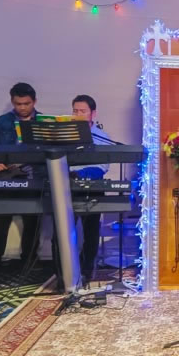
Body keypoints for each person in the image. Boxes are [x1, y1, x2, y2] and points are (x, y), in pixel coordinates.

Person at [0, 82, 42, 268]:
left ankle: (29, 262)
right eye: (18, 104)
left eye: (26, 103)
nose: (22, 108)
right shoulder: (3, 121)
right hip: (5, 177)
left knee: (32, 224)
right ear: (12, 102)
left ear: (34, 101)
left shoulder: (43, 122)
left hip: (32, 177)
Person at [69, 94, 111, 282]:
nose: (78, 114)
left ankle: (87, 271)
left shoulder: (101, 137)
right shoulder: (65, 134)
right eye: (75, 111)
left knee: (91, 232)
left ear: (93, 114)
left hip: (92, 188)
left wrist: (81, 173)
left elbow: (102, 166)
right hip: (67, 187)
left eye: (82, 111)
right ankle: (63, 273)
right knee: (61, 232)